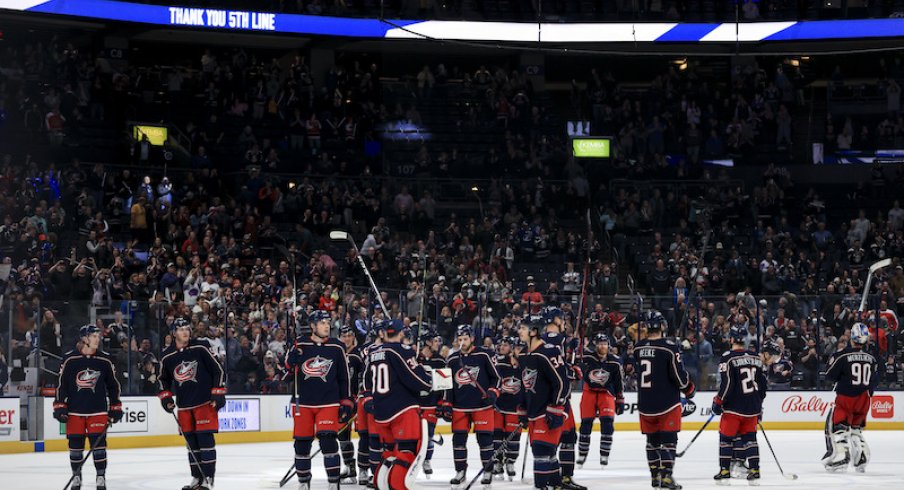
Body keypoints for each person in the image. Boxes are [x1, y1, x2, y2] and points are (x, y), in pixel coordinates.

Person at [285, 310, 352, 490]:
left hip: (328, 402)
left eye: (328, 323)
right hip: (303, 402)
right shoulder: (300, 344)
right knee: (302, 444)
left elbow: (344, 377)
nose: (326, 326)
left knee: (328, 441)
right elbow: (285, 371)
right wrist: (292, 360)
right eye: (322, 323)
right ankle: (304, 482)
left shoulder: (337, 347)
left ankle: (333, 483)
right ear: (313, 326)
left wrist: (346, 400)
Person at [158, 318, 226, 490]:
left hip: (205, 403)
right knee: (191, 444)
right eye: (181, 329)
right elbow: (162, 379)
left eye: (187, 329)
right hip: (184, 406)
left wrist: (217, 393)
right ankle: (196, 477)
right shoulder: (167, 355)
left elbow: (218, 370)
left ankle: (208, 478)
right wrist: (166, 398)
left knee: (205, 440)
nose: (185, 332)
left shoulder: (201, 347)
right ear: (174, 333)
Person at [54, 324, 123, 490]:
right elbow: (62, 386)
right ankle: (76, 477)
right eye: (93, 336)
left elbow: (113, 386)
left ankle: (101, 476)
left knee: (99, 446)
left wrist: (115, 406)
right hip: (74, 411)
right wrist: (60, 406)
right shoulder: (69, 359)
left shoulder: (105, 360)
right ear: (84, 338)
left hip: (98, 410)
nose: (97, 339)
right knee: (75, 447)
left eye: (98, 336)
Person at [634, 310, 696, 490]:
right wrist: (689, 389)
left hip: (645, 403)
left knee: (652, 441)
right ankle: (667, 476)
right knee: (669, 440)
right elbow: (678, 375)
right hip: (667, 403)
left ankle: (655, 477)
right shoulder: (669, 347)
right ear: (661, 325)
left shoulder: (638, 347)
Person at [369, 319, 432, 490]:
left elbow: (367, 381)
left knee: (389, 453)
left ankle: (379, 485)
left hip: (381, 412)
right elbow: (417, 380)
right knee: (406, 452)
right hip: (401, 409)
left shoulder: (374, 352)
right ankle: (398, 487)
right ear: (401, 333)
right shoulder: (400, 350)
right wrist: (428, 380)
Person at [442, 325, 500, 488]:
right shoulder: (452, 359)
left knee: (485, 440)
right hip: (460, 407)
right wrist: (447, 403)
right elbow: (447, 385)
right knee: (458, 440)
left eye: (465, 339)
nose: (462, 342)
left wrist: (493, 392)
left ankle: (487, 470)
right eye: (459, 340)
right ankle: (460, 471)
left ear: (472, 338)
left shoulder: (484, 354)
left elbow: (497, 378)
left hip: (482, 406)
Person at [711, 325, 767, 485]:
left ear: (731, 339)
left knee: (726, 439)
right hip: (752, 406)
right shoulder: (756, 357)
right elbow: (762, 384)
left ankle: (725, 470)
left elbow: (727, 383)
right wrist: (759, 403)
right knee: (750, 438)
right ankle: (755, 469)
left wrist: (719, 401)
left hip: (734, 407)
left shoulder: (727, 357)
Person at [516, 318, 568, 490]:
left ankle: (540, 486)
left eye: (523, 328)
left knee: (541, 451)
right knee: (548, 453)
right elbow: (524, 384)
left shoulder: (548, 351)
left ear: (534, 331)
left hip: (549, 410)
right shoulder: (523, 354)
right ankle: (556, 485)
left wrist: (555, 408)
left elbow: (562, 383)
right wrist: (522, 408)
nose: (519, 331)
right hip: (533, 410)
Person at [822, 322, 880, 473]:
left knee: (839, 429)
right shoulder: (871, 358)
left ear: (851, 337)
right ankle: (861, 457)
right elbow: (875, 379)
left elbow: (829, 375)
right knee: (856, 430)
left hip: (846, 397)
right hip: (864, 399)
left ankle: (841, 458)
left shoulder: (842, 356)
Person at [540, 306, 586, 490]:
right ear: (556, 320)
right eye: (562, 318)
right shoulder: (559, 339)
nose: (564, 321)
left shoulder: (537, 340)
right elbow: (555, 370)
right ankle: (561, 478)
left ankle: (555, 478)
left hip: (544, 398)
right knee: (565, 437)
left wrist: (570, 367)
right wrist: (570, 371)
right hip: (557, 399)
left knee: (558, 438)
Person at [578, 332, 625, 469]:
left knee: (607, 423)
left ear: (608, 345)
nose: (602, 346)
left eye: (604, 344)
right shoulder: (587, 357)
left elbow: (619, 381)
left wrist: (620, 399)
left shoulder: (615, 361)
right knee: (586, 424)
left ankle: (604, 454)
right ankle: (582, 453)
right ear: (595, 345)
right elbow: (574, 358)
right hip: (589, 392)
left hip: (606, 393)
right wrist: (576, 346)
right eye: (600, 344)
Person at [416, 327, 447, 478]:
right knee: (413, 435)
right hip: (415, 405)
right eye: (435, 341)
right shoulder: (414, 358)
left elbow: (444, 386)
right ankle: (413, 461)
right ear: (427, 342)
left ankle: (427, 460)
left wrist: (442, 402)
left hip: (432, 404)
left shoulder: (440, 360)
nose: (438, 343)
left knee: (429, 434)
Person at [492, 336, 523, 481]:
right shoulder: (499, 364)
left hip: (515, 408)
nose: (520, 352)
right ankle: (498, 462)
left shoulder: (525, 366)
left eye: (522, 349)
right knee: (497, 437)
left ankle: (510, 462)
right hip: (499, 406)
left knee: (514, 438)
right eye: (518, 348)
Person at [339, 324, 363, 483]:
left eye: (349, 336)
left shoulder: (358, 355)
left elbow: (363, 376)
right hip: (342, 400)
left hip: (356, 399)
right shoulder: (338, 353)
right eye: (344, 336)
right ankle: (349, 467)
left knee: (363, 434)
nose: (347, 339)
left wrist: (360, 395)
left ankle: (363, 470)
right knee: (343, 435)